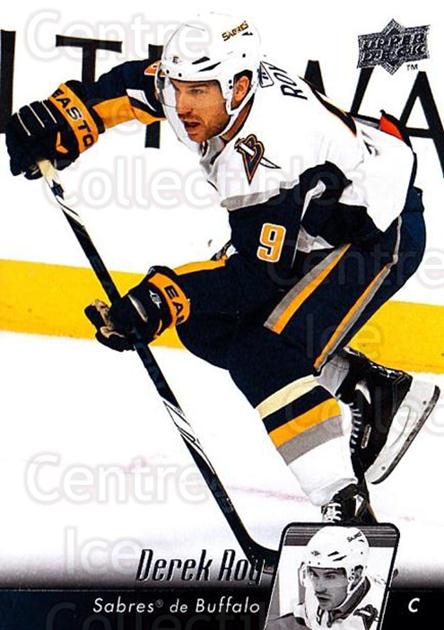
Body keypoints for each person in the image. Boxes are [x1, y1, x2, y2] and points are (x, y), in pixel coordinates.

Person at [5, 12, 439, 523]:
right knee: (206, 323)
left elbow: (257, 277)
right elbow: (131, 86)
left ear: (238, 87)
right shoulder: (208, 89)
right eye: (177, 87)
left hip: (376, 231)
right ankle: (373, 389)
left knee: (265, 353)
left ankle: (345, 507)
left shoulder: (269, 151)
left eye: (197, 92)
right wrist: (68, 120)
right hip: (307, 216)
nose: (182, 104)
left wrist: (163, 297)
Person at [267, 526, 384, 629]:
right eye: (314, 574)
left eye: (330, 577)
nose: (318, 588)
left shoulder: (378, 615)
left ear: (356, 577)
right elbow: (295, 620)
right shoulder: (317, 594)